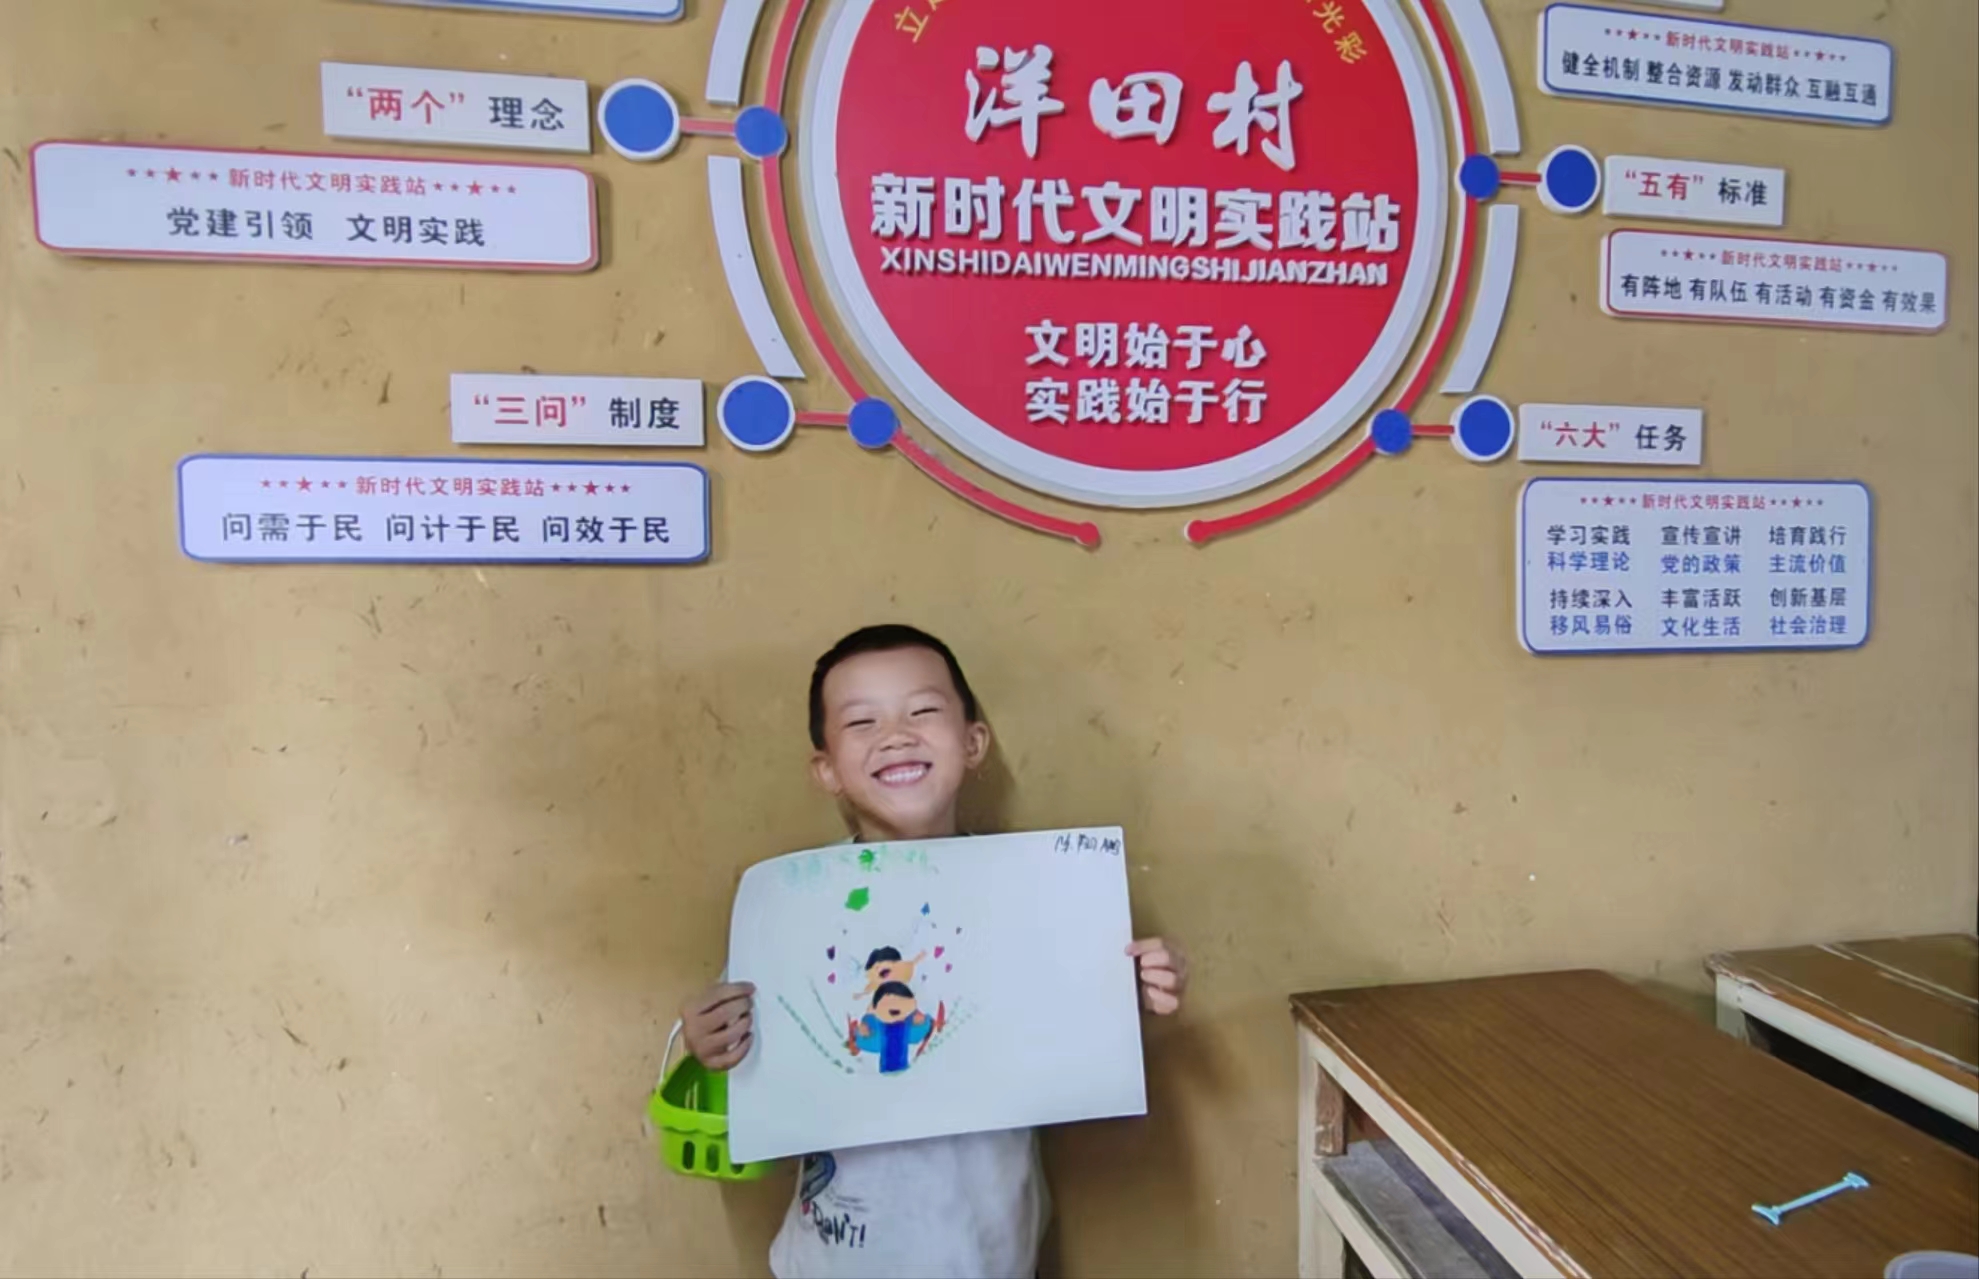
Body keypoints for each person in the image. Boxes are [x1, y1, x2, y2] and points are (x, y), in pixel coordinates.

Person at [679, 624, 1189, 1279]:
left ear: (973, 741)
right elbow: (740, 1032)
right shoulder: (794, 905)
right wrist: (707, 1035)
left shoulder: (1035, 896)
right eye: (861, 721)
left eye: (922, 710)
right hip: (834, 1258)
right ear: (826, 768)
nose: (895, 735)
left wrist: (1136, 983)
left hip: (993, 1253)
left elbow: (1074, 1015)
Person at [851, 980, 937, 1074]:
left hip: (900, 1066)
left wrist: (923, 1023)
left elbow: (916, 1035)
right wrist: (862, 1034)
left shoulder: (908, 1022)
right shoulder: (874, 1021)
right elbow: (869, 1038)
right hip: (885, 1063)